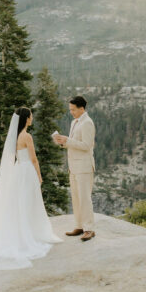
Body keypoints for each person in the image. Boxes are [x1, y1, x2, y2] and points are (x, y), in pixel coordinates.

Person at [0, 107, 62, 269]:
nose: (32, 118)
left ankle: (22, 233)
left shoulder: (15, 137)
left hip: (18, 170)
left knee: (20, 203)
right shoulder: (27, 136)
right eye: (31, 116)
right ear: (27, 119)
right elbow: (34, 159)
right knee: (29, 203)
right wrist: (39, 176)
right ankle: (30, 235)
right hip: (27, 170)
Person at [53, 95, 96, 241]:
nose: (71, 112)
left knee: (85, 198)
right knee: (76, 198)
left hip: (84, 166)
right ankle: (79, 225)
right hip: (74, 166)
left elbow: (86, 145)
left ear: (81, 108)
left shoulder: (87, 123)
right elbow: (73, 143)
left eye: (73, 109)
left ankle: (89, 228)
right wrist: (62, 142)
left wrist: (68, 140)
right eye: (70, 109)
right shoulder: (74, 122)